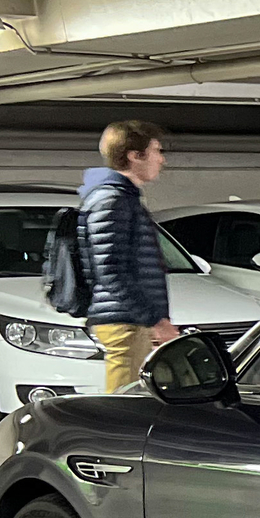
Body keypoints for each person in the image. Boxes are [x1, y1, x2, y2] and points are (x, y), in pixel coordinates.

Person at [77, 119, 177, 391]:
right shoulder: (113, 201)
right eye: (157, 151)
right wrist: (154, 319)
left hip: (132, 320)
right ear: (135, 156)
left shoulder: (122, 198)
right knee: (122, 406)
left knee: (135, 402)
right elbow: (110, 270)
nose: (162, 160)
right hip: (125, 324)